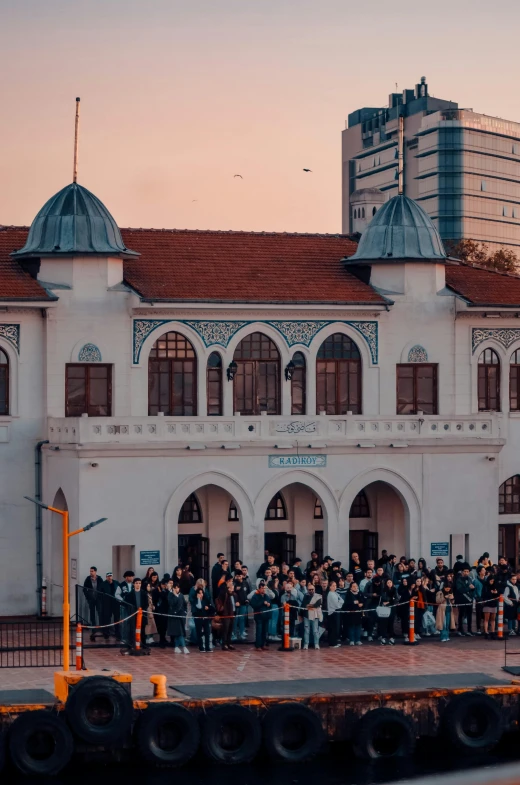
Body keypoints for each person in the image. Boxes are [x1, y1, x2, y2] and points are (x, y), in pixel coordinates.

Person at [83, 566, 103, 641]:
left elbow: (102, 588)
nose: (91, 572)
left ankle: (101, 628)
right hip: (91, 599)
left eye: (92, 571)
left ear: (95, 572)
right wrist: (88, 596)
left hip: (98, 599)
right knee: (92, 614)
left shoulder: (99, 579)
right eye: (90, 571)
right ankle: (93, 628)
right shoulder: (88, 579)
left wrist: (101, 597)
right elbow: (84, 589)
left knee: (100, 612)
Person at [216, 577, 236, 651]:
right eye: (231, 582)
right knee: (225, 629)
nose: (232, 585)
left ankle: (229, 643)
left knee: (230, 629)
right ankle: (224, 644)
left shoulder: (234, 594)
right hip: (226, 614)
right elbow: (222, 598)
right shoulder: (224, 592)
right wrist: (227, 589)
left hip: (232, 613)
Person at [167, 584, 189, 653]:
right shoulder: (170, 595)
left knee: (179, 632)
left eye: (177, 588)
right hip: (174, 616)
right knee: (180, 632)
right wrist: (175, 596)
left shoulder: (181, 595)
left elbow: (184, 604)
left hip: (181, 616)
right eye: (175, 588)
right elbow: (172, 603)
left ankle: (176, 647)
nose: (176, 589)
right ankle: (184, 647)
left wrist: (185, 612)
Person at [249, 582, 271, 650]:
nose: (263, 590)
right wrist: (262, 603)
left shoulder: (266, 596)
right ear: (259, 589)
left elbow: (270, 604)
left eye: (264, 588)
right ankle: (258, 645)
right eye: (262, 588)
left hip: (266, 616)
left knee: (265, 631)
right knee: (259, 631)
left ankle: (263, 644)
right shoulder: (255, 596)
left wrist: (269, 604)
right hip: (259, 616)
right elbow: (254, 605)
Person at [192, 586, 214, 652]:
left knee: (207, 632)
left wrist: (208, 608)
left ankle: (207, 647)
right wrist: (198, 599)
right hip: (198, 619)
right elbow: (199, 607)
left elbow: (211, 608)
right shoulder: (195, 601)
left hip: (205, 618)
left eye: (202, 593)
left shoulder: (205, 600)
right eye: (199, 593)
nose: (201, 594)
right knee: (199, 633)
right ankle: (201, 647)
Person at [455, 567, 475, 636]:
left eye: (467, 571)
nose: (466, 573)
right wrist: (469, 588)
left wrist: (472, 589)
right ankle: (460, 629)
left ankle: (469, 630)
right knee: (461, 615)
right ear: (462, 572)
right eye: (465, 571)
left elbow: (471, 588)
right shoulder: (459, 580)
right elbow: (460, 590)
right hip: (462, 600)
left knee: (469, 615)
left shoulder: (469, 579)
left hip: (469, 600)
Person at [302, 583, 322, 649]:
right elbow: (304, 604)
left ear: (314, 589)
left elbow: (318, 604)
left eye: (312, 589)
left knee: (315, 630)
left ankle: (316, 644)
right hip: (306, 615)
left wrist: (310, 605)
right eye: (309, 589)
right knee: (306, 630)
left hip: (315, 615)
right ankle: (306, 644)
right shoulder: (305, 596)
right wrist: (311, 605)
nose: (311, 591)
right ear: (307, 590)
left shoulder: (318, 596)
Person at [101, 572, 120, 640]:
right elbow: (100, 593)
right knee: (107, 619)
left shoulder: (116, 583)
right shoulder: (103, 584)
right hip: (107, 604)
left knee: (117, 618)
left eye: (110, 576)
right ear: (106, 577)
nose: (109, 577)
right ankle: (106, 633)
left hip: (115, 603)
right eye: (108, 576)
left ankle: (117, 633)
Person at [377, 579, 397, 645]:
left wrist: (389, 601)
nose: (389, 583)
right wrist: (386, 602)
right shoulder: (383, 590)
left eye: (390, 582)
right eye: (388, 582)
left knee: (391, 623)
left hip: (392, 608)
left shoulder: (394, 589)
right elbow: (382, 598)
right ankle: (383, 637)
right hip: (385, 608)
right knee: (384, 623)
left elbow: (396, 598)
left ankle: (391, 637)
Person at [153, 577, 170, 648]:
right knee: (160, 627)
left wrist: (163, 592)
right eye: (162, 584)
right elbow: (155, 599)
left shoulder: (167, 591)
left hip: (165, 611)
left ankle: (163, 639)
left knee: (164, 626)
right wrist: (160, 593)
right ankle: (161, 640)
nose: (164, 586)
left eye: (165, 585)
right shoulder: (156, 590)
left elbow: (166, 598)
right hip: (158, 611)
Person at [233, 571, 249, 641]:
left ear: (242, 576)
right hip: (236, 604)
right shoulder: (234, 583)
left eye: (240, 576)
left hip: (243, 604)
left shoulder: (245, 583)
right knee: (235, 620)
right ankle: (234, 634)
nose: (239, 577)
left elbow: (248, 592)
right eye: (237, 576)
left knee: (242, 619)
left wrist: (247, 599)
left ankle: (242, 633)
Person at [326, 580, 344, 648]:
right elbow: (337, 604)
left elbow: (342, 600)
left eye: (335, 586)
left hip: (336, 612)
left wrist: (340, 602)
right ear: (330, 587)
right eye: (333, 586)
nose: (334, 587)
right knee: (333, 628)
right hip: (333, 612)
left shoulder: (335, 593)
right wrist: (340, 603)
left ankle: (335, 642)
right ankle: (332, 643)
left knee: (336, 628)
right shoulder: (330, 594)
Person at [143, 580, 157, 645]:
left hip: (151, 610)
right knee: (148, 625)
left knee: (152, 625)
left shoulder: (150, 594)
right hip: (147, 611)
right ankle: (148, 638)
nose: (149, 587)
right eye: (148, 586)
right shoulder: (145, 594)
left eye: (149, 586)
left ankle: (150, 637)